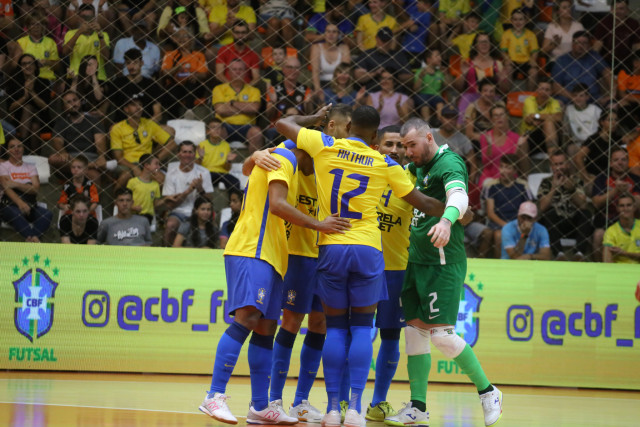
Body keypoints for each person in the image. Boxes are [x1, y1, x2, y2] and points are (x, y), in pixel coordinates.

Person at [275, 106, 456, 427]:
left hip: (332, 245)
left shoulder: (325, 144)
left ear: (347, 127)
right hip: (369, 250)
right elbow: (423, 203)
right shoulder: (383, 162)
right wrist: (456, 213)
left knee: (335, 328)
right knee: (361, 328)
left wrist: (314, 120)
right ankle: (356, 410)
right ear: (375, 136)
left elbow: (282, 123)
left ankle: (332, 410)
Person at [197, 142, 350, 425]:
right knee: (247, 317)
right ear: (304, 150)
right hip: (253, 248)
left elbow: (250, 167)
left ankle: (259, 406)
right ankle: (214, 395)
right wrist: (320, 225)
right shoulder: (282, 158)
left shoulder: (292, 165)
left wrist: (252, 157)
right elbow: (277, 204)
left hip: (275, 256)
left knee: (267, 327)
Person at [383, 117, 502, 427]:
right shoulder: (416, 166)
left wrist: (447, 221)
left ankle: (489, 393)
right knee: (414, 334)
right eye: (404, 146)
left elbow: (459, 197)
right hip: (416, 261)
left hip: (443, 263)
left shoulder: (449, 162)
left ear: (429, 138)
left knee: (443, 338)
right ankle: (417, 407)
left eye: (412, 145)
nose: (407, 152)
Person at [244, 104, 355, 423]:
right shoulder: (290, 151)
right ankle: (274, 399)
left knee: (319, 323)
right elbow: (278, 130)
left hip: (325, 254)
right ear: (329, 127)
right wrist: (253, 156)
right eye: (342, 129)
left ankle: (301, 401)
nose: (345, 137)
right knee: (290, 322)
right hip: (295, 255)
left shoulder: (338, 163)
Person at [364, 125, 413, 421]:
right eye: (388, 144)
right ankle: (344, 400)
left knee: (391, 336)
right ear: (376, 146)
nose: (393, 150)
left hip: (397, 268)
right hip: (363, 265)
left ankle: (378, 402)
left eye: (399, 145)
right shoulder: (362, 173)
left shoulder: (411, 180)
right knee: (353, 332)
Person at [110, 94, 176, 189]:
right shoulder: (117, 128)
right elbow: (118, 157)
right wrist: (134, 167)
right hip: (128, 164)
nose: (138, 107)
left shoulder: (149, 124)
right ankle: (115, 201)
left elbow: (171, 143)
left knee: (162, 180)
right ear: (126, 109)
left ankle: (155, 202)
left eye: (140, 105)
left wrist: (153, 161)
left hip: (146, 163)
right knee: (126, 176)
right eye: (134, 105)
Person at [537, 150, 591, 261]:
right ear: (551, 166)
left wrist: (572, 191)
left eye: (561, 163)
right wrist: (553, 188)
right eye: (555, 164)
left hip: (573, 222)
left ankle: (579, 253)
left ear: (567, 164)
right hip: (555, 224)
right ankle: (559, 254)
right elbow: (541, 208)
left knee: (586, 213)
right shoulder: (546, 182)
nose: (558, 167)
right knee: (548, 214)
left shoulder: (576, 180)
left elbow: (583, 206)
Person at [590, 146, 640, 262]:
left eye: (623, 160)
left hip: (632, 221)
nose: (620, 163)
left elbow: (639, 203)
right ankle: (601, 268)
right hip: (607, 220)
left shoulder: (636, 179)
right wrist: (615, 191)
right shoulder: (602, 179)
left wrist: (628, 193)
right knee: (598, 235)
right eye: (616, 160)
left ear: (628, 162)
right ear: (610, 163)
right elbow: (596, 203)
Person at [0, 138, 53, 242]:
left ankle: (32, 239)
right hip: (9, 204)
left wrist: (15, 184)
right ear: (7, 151)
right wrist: (20, 203)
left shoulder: (30, 167)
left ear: (23, 149)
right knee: (16, 213)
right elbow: (6, 188)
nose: (16, 149)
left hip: (30, 203)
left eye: (19, 146)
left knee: (47, 214)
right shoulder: (3, 166)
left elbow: (36, 189)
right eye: (12, 147)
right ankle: (34, 239)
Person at [162, 141, 214, 246]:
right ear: (178, 154)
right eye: (184, 152)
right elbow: (170, 205)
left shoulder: (204, 172)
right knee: (170, 225)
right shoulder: (171, 174)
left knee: (213, 225)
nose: (187, 155)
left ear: (195, 154)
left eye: (190, 152)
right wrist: (188, 191)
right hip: (178, 212)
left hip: (198, 211)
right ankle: (166, 254)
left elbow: (210, 199)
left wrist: (200, 188)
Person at [48, 90, 107, 181]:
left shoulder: (94, 121)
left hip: (89, 157)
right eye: (68, 102)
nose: (73, 104)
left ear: (80, 101)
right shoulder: (61, 123)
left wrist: (101, 156)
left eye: (75, 100)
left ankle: (86, 167)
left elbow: (100, 141)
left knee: (95, 177)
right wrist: (62, 152)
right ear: (64, 107)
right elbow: (57, 141)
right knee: (53, 159)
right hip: (71, 159)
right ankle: (89, 167)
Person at [484, 153, 534, 258]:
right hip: (498, 223)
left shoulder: (523, 186)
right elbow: (490, 213)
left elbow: (530, 207)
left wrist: (521, 224)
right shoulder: (491, 186)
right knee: (498, 235)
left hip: (518, 222)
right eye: (501, 166)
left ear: (515, 171)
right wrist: (507, 226)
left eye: (508, 168)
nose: (503, 171)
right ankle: (500, 265)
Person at [211, 59, 263, 153]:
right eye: (234, 69)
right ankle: (218, 164)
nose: (238, 71)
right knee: (216, 130)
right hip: (225, 125)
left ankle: (254, 165)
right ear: (229, 72)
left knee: (257, 133)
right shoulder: (219, 89)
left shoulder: (254, 90)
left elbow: (254, 109)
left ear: (246, 72)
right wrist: (245, 109)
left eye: (241, 69)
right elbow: (220, 110)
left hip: (247, 126)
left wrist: (232, 103)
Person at [5, 54, 51, 154]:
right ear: (20, 67)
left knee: (29, 109)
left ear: (35, 65)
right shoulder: (14, 83)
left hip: (42, 118)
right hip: (19, 119)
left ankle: (22, 144)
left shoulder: (44, 82)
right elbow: (10, 108)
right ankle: (36, 156)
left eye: (30, 63)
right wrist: (25, 97)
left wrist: (32, 92)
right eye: (24, 64)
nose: (27, 66)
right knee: (34, 126)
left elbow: (45, 107)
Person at [551, 31, 610, 105]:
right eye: (577, 42)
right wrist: (574, 97)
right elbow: (556, 86)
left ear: (589, 45)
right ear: (572, 44)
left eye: (584, 43)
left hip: (592, 97)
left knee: (613, 104)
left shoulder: (594, 57)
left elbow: (608, 73)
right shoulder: (562, 60)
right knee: (557, 103)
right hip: (568, 97)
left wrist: (612, 95)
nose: (581, 45)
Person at [160, 29, 209, 118]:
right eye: (179, 37)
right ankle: (173, 120)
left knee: (192, 80)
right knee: (171, 91)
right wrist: (177, 67)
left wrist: (196, 75)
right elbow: (165, 73)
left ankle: (189, 111)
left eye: (185, 37)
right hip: (177, 86)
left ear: (191, 39)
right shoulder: (170, 55)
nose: (182, 39)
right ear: (176, 40)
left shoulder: (199, 55)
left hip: (194, 87)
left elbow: (204, 74)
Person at [109, 49, 164, 124]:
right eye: (128, 63)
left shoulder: (151, 85)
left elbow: (158, 114)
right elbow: (105, 108)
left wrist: (143, 127)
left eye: (135, 62)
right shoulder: (117, 83)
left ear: (141, 63)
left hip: (145, 126)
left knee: (169, 130)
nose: (132, 66)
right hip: (122, 127)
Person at [478, 105, 528, 186]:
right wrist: (490, 145)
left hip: (509, 178)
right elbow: (486, 163)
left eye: (502, 115)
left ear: (507, 117)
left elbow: (513, 162)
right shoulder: (485, 137)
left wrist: (519, 147)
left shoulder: (516, 138)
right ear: (491, 119)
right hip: (490, 178)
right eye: (495, 115)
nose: (499, 118)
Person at [354, 27, 412, 93]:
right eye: (382, 40)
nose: (384, 44)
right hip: (372, 92)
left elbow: (409, 78)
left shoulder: (399, 56)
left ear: (391, 41)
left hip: (395, 93)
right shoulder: (367, 55)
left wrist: (393, 76)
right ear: (376, 38)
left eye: (387, 40)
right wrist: (375, 73)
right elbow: (359, 78)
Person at [63, 4, 110, 82]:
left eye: (90, 17)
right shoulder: (70, 34)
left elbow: (106, 57)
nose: (87, 20)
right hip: (75, 76)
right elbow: (65, 53)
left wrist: (99, 34)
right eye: (84, 17)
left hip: (98, 77)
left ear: (94, 18)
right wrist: (79, 32)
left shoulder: (103, 35)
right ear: (79, 18)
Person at [432, 105, 477, 182]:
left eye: (453, 118)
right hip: (432, 175)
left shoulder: (463, 139)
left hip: (455, 178)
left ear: (457, 119)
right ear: (441, 118)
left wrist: (469, 183)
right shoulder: (431, 134)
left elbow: (473, 165)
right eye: (447, 117)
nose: (450, 121)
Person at [592, 0, 640, 73]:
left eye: (621, 9)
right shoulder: (603, 23)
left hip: (627, 61)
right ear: (611, 10)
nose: (617, 11)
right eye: (615, 8)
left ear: (627, 10)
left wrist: (637, 61)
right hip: (607, 61)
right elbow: (597, 47)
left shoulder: (633, 24)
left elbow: (637, 46)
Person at [520, 77, 562, 157]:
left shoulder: (554, 102)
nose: (544, 92)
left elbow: (559, 117)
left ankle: (552, 158)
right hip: (530, 137)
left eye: (547, 90)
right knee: (549, 123)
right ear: (536, 90)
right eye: (541, 89)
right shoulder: (529, 100)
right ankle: (553, 159)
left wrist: (537, 115)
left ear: (551, 92)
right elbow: (531, 121)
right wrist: (549, 118)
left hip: (548, 137)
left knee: (549, 123)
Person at [500, 8, 539, 90]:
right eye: (515, 19)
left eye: (521, 19)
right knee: (508, 69)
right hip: (512, 61)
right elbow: (503, 51)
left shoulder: (530, 35)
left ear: (526, 20)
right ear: (511, 21)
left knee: (534, 72)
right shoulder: (506, 34)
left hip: (526, 62)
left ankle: (529, 96)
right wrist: (507, 59)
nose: (518, 22)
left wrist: (533, 59)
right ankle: (507, 97)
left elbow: (535, 51)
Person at [127, 154, 173, 224]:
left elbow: (156, 204)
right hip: (133, 215)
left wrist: (166, 199)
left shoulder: (155, 185)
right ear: (146, 165)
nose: (159, 167)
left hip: (148, 218)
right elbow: (125, 201)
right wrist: (133, 208)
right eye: (156, 164)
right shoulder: (132, 182)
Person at [14, 13, 60, 82]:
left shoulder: (50, 42)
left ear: (43, 26)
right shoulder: (21, 42)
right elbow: (16, 64)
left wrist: (47, 62)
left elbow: (58, 66)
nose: (36, 27)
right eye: (33, 24)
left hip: (47, 79)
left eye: (39, 24)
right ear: (28, 26)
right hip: (27, 79)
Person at [196, 119, 240, 191]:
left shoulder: (226, 145)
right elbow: (196, 166)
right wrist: (200, 157)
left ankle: (234, 201)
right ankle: (204, 201)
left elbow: (227, 168)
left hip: (222, 173)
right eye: (213, 127)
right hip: (207, 173)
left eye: (218, 128)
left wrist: (228, 161)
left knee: (235, 182)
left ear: (222, 130)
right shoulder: (202, 145)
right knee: (202, 181)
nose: (216, 130)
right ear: (208, 131)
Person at [214, 20, 261, 86]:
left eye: (243, 32)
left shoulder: (253, 54)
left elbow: (256, 78)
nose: (240, 35)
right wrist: (232, 87)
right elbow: (219, 75)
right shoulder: (224, 50)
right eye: (237, 32)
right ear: (232, 33)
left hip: (246, 92)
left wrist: (245, 89)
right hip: (227, 89)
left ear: (247, 34)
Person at [310, 24, 351, 97]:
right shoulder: (316, 47)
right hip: (322, 84)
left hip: (339, 84)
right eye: (328, 31)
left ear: (338, 34)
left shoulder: (344, 48)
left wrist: (341, 90)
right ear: (324, 34)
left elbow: (345, 71)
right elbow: (315, 71)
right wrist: (318, 89)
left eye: (334, 32)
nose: (331, 34)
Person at [540, 0, 584, 65]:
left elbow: (585, 47)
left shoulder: (578, 26)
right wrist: (555, 44)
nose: (568, 9)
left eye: (569, 7)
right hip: (557, 61)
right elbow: (543, 51)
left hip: (575, 61)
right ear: (558, 11)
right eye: (564, 8)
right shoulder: (552, 27)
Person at [603, 193, 640, 263]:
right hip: (620, 271)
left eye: (629, 205)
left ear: (634, 207)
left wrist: (624, 253)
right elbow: (607, 261)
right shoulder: (611, 231)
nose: (625, 209)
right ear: (617, 208)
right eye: (622, 206)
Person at [412, 49, 446, 124]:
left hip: (436, 95)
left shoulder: (440, 72)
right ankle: (426, 123)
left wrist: (445, 74)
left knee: (440, 102)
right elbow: (415, 89)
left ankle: (439, 122)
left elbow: (446, 86)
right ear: (428, 59)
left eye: (440, 56)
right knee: (424, 103)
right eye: (437, 56)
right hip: (423, 95)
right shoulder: (420, 71)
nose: (440, 58)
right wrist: (420, 77)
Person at [463, 78, 499, 144]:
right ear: (480, 92)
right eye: (485, 91)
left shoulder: (499, 105)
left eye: (491, 91)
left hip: (497, 142)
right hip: (476, 143)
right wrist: (487, 140)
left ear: (495, 93)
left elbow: (504, 129)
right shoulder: (472, 107)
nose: (488, 94)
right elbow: (469, 134)